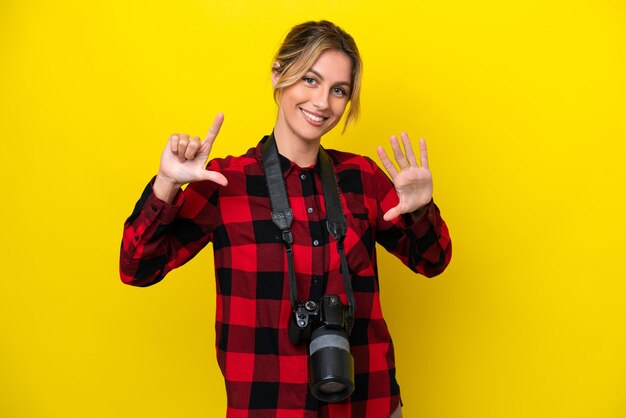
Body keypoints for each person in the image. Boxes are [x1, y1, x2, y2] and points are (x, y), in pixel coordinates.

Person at [120, 20, 452, 418]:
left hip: (369, 405)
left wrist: (420, 209)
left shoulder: (362, 178)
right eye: (310, 80)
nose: (323, 103)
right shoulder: (227, 182)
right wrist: (166, 184)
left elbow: (432, 262)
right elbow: (136, 267)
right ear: (279, 73)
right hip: (268, 406)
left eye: (338, 90)